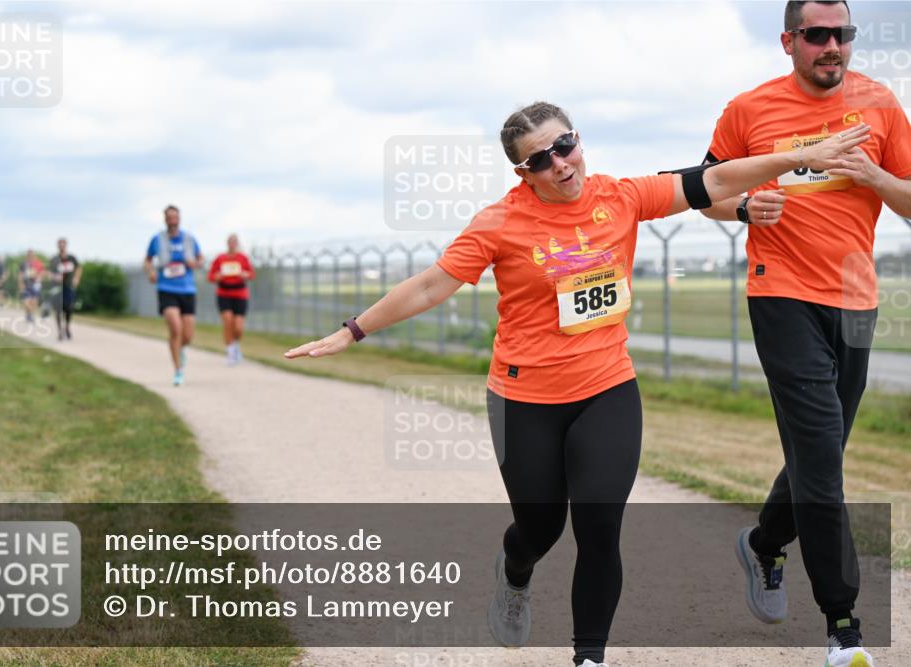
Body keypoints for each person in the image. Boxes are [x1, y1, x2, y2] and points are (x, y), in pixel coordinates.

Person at [284, 101, 868, 667]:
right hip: (523, 397)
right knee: (540, 527)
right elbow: (432, 286)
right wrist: (352, 331)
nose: (560, 164)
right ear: (522, 172)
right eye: (540, 159)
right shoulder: (500, 222)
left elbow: (712, 180)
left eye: (565, 146)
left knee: (598, 527)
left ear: (578, 141)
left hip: (607, 388)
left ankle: (588, 657)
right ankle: (515, 573)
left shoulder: (622, 196)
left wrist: (800, 157)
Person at [700, 3, 911, 666]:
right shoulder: (749, 110)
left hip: (855, 301)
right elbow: (703, 189)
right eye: (816, 36)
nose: (831, 47)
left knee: (819, 454)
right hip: (780, 294)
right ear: (788, 41)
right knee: (823, 459)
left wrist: (875, 178)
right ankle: (843, 624)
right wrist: (743, 206)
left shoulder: (881, 106)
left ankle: (764, 543)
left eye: (841, 35)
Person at [144, 205, 203, 386]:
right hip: (166, 288)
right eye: (169, 217)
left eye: (175, 217)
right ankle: (178, 371)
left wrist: (194, 263)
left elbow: (200, 259)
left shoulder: (189, 238)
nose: (172, 220)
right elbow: (147, 260)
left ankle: (180, 349)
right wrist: (151, 272)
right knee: (175, 328)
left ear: (179, 219)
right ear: (165, 219)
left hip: (187, 289)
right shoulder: (157, 239)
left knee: (188, 335)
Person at [207, 233, 255, 365]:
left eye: (235, 241)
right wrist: (217, 276)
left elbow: (251, 274)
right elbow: (210, 276)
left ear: (237, 243)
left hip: (240, 294)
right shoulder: (220, 258)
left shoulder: (243, 258)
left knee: (238, 327)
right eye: (230, 241)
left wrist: (245, 274)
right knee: (228, 321)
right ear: (227, 243)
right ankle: (230, 352)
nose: (232, 244)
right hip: (224, 293)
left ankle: (235, 345)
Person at [49, 238, 82, 341]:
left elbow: (79, 268)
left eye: (63, 244)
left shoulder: (71, 258)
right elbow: (48, 272)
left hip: (68, 287)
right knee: (58, 310)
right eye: (60, 244)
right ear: (58, 246)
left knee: (69, 308)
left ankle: (67, 326)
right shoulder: (54, 259)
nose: (62, 246)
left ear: (66, 245)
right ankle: (60, 332)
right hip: (57, 287)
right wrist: (55, 277)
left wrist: (76, 278)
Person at [18, 250, 44, 323]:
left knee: (34, 302)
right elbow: (20, 275)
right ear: (27, 255)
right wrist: (20, 285)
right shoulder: (23, 264)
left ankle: (30, 315)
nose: (30, 256)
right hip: (26, 285)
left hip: (35, 285)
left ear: (34, 255)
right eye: (29, 255)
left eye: (32, 255)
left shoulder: (38, 263)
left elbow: (42, 273)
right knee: (26, 302)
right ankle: (29, 314)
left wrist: (37, 277)